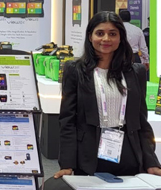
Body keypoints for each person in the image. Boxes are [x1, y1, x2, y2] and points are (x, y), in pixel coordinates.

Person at [54, 11, 161, 179]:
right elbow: (68, 120)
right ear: (90, 37)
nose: (106, 39)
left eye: (112, 34)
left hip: (128, 151)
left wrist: (151, 162)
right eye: (100, 33)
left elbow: (141, 120)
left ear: (120, 38)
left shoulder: (136, 72)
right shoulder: (75, 70)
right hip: (89, 153)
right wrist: (67, 164)